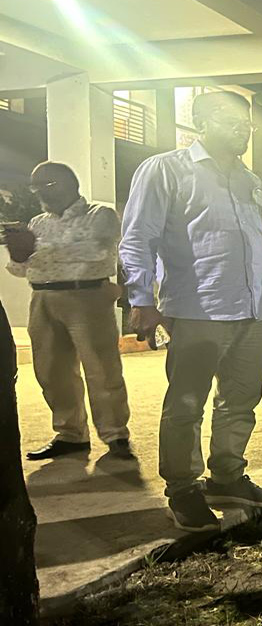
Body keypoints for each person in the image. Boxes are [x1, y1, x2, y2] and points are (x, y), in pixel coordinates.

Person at [120, 91, 262, 533]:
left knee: (241, 400)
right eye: (232, 121)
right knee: (186, 404)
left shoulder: (249, 180)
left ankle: (226, 477)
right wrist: (141, 299)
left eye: (247, 122)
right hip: (197, 309)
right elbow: (138, 237)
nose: (243, 129)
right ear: (201, 122)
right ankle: (183, 489)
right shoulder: (166, 169)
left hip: (252, 310)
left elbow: (258, 248)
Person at [5, 162, 132, 460]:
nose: (40, 193)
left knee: (102, 369)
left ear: (71, 183)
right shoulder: (37, 222)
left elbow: (94, 250)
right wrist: (20, 255)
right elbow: (19, 269)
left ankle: (115, 435)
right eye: (36, 187)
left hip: (87, 296)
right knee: (51, 371)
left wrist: (34, 249)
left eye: (47, 185)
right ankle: (70, 434)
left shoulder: (100, 214)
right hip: (42, 297)